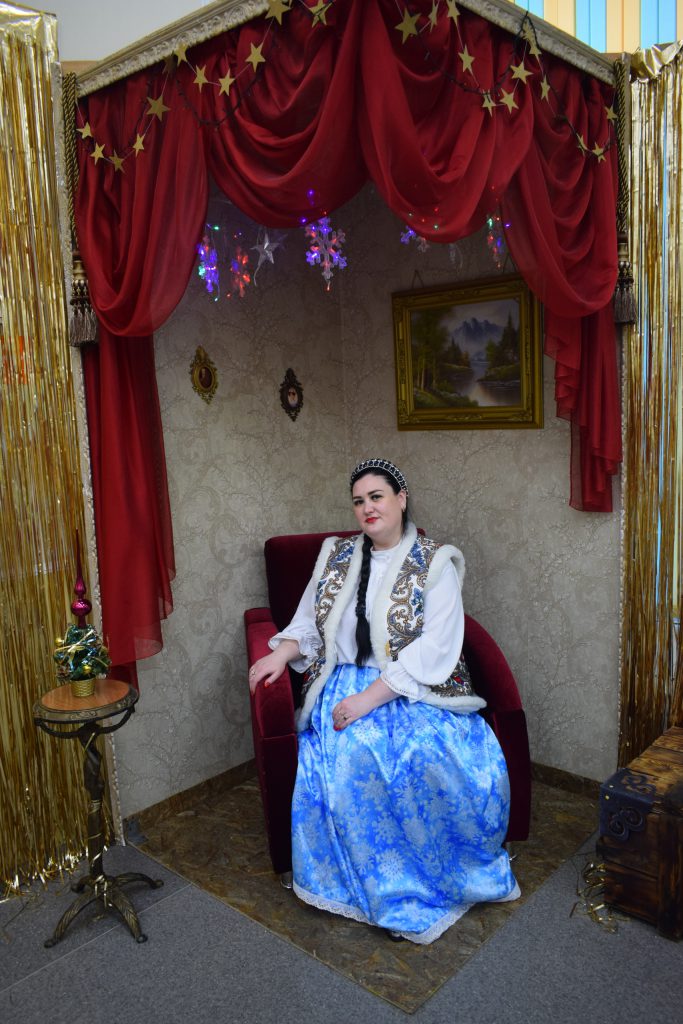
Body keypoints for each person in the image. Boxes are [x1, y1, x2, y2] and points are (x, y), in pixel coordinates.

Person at [249, 458, 519, 944]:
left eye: (376, 497)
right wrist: (281, 653)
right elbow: (309, 620)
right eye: (359, 501)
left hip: (416, 686)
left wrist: (368, 700)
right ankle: (377, 884)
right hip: (343, 681)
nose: (367, 508)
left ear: (401, 498)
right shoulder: (336, 556)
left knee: (425, 755)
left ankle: (430, 877)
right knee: (353, 754)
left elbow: (436, 645)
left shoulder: (435, 562)